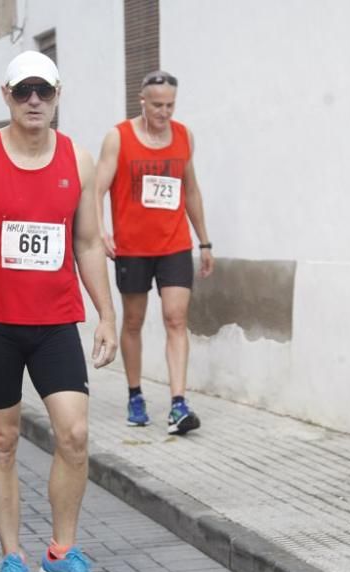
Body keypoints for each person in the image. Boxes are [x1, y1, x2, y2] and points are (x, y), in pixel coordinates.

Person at [0, 52, 118, 572]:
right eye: (23, 92)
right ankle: (12, 559)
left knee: (75, 435)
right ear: (6, 95)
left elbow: (87, 242)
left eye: (43, 91)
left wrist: (107, 312)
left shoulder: (78, 160)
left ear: (58, 94)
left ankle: (62, 553)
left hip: (56, 320)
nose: (34, 100)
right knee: (3, 441)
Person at [96, 70, 214, 434]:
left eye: (171, 105)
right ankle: (135, 394)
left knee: (176, 319)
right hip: (132, 248)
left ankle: (179, 404)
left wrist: (204, 241)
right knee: (132, 321)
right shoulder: (118, 137)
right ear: (142, 101)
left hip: (174, 244)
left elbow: (190, 190)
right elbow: (95, 189)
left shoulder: (183, 136)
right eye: (158, 105)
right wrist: (101, 232)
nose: (165, 113)